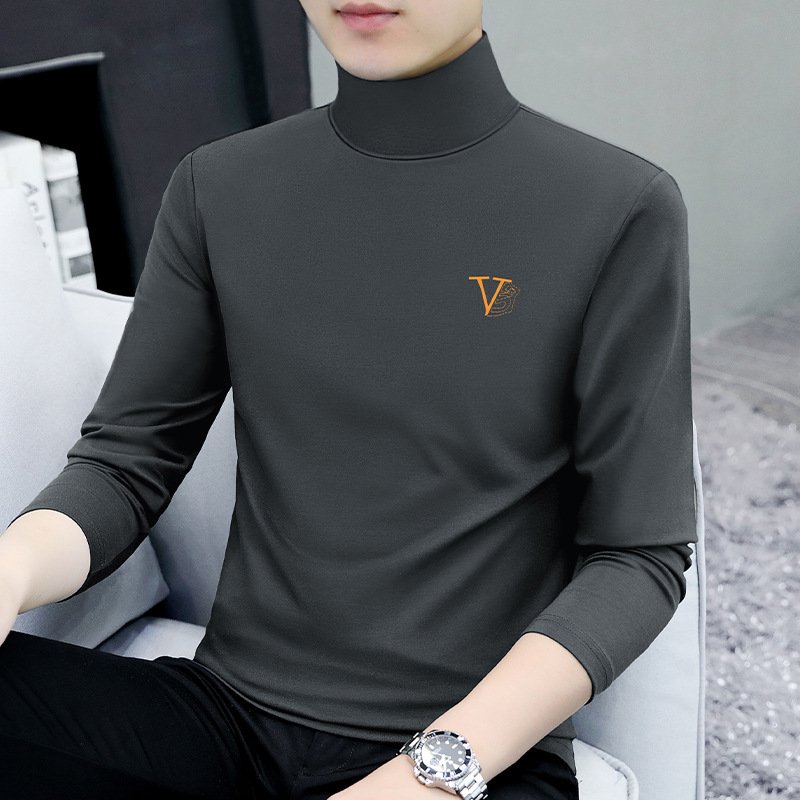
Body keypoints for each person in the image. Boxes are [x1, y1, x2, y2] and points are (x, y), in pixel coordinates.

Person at [0, 1, 698, 798]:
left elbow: (638, 555)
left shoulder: (616, 204)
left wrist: (428, 775)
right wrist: (11, 569)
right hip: (224, 717)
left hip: (470, 755)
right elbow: (127, 463)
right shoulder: (218, 185)